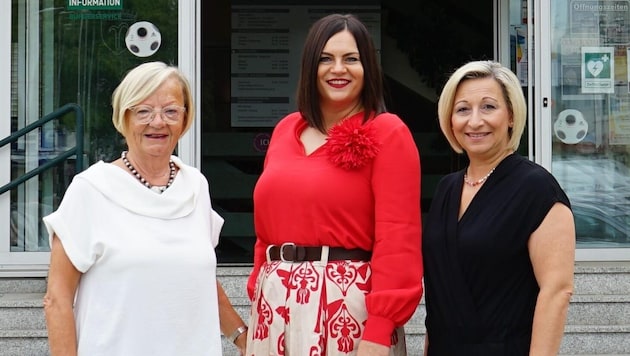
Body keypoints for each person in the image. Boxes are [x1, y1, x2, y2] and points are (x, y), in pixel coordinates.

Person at [245, 13, 423, 356]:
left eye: (351, 59)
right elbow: (265, 232)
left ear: (367, 67)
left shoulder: (389, 132)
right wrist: (258, 291)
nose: (337, 69)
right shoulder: (286, 129)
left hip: (347, 309)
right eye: (325, 58)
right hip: (274, 306)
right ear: (310, 66)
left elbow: (398, 237)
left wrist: (380, 330)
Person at [42, 61, 247, 355]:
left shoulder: (196, 186)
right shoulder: (91, 189)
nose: (158, 122)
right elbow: (57, 299)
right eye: (143, 111)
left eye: (171, 111)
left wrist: (243, 337)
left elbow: (197, 280)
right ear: (123, 118)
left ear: (185, 118)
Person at [422, 60, 576, 355]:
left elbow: (556, 291)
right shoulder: (446, 189)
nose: (475, 121)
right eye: (463, 109)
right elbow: (440, 293)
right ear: (449, 120)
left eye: (489, 107)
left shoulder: (537, 188)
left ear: (511, 116)